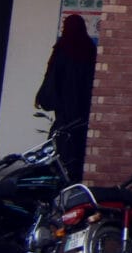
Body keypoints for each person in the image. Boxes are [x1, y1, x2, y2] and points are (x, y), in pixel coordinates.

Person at [33, 13, 96, 181]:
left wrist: (43, 96)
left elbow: (52, 75)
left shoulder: (62, 47)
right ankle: (76, 169)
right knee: (79, 135)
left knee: (61, 134)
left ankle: (59, 168)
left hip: (64, 103)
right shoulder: (89, 48)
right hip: (83, 103)